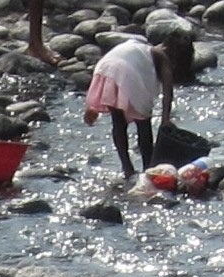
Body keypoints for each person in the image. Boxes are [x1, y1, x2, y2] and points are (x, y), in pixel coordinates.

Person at [82, 22, 196, 178]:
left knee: (118, 122)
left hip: (103, 68)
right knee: (143, 122)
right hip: (125, 72)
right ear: (174, 54)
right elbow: (168, 90)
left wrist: (92, 106)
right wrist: (165, 120)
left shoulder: (141, 47)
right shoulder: (162, 57)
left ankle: (127, 168)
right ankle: (148, 167)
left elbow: (117, 64)